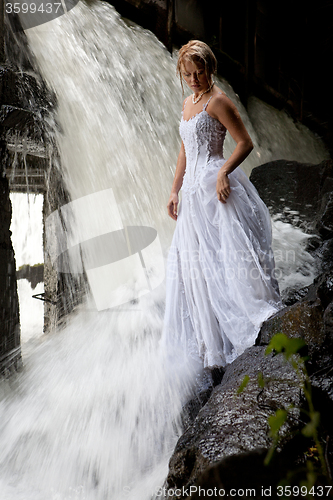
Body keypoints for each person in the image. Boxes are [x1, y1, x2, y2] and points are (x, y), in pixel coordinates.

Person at [160, 40, 283, 370]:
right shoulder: (188, 103)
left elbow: (245, 142)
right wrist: (174, 191)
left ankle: (244, 324)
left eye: (199, 73)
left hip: (216, 188)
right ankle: (209, 341)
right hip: (191, 195)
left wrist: (224, 172)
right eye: (188, 74)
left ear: (210, 69)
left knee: (227, 258)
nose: (194, 79)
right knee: (196, 266)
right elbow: (185, 150)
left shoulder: (219, 102)